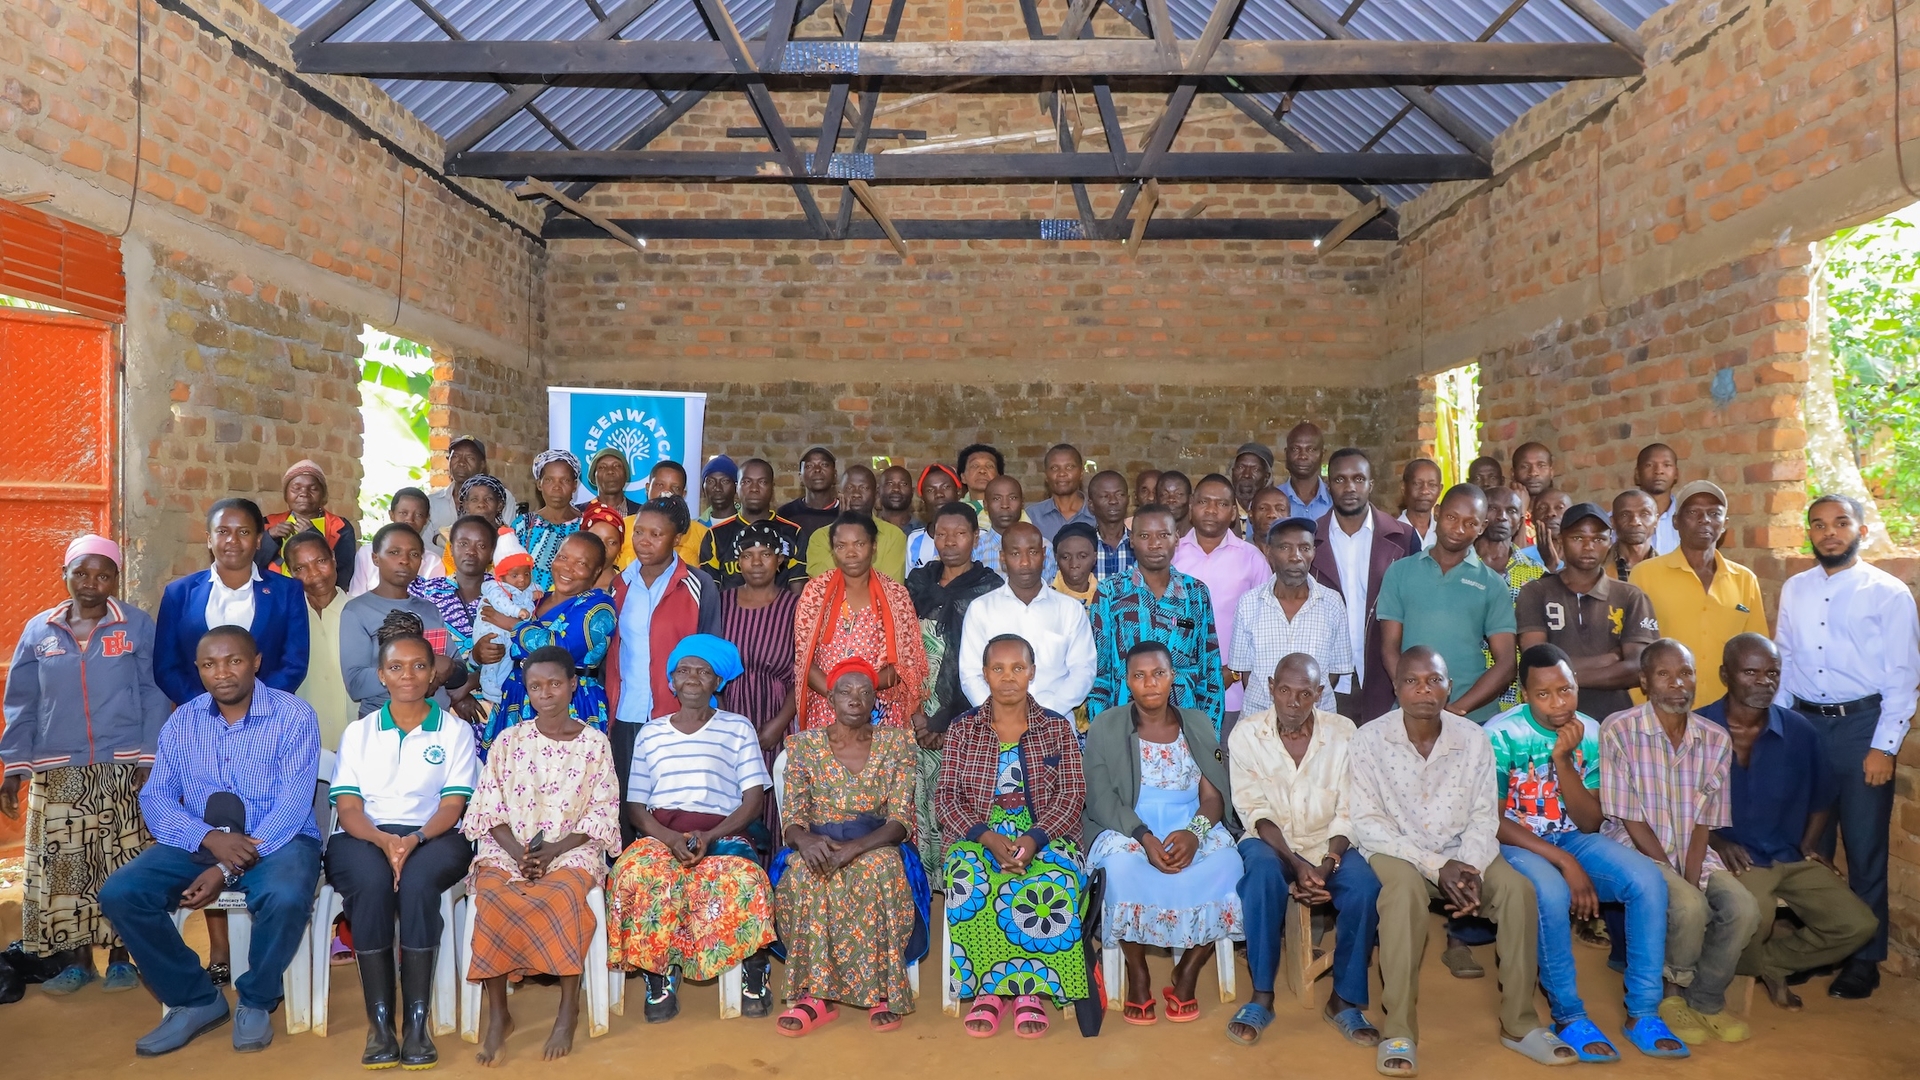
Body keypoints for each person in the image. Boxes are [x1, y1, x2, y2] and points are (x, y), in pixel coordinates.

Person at [98, 626, 323, 1057]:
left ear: (256, 662)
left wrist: (224, 867)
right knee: (123, 893)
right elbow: (157, 796)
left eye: (234, 660)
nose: (222, 672)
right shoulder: (183, 720)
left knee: (286, 894)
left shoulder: (294, 715)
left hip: (278, 838)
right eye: (209, 664)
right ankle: (197, 999)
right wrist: (207, 839)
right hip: (200, 842)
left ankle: (256, 999)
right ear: (199, 670)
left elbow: (295, 803)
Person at [1347, 647, 1563, 1076]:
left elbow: (1486, 816)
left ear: (1450, 687)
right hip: (1399, 852)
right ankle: (1399, 1029)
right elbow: (1367, 823)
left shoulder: (1473, 738)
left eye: (1434, 680)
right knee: (1403, 894)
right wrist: (1435, 866)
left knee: (1518, 891)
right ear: (1396, 686)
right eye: (1412, 681)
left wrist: (1469, 869)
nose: (1423, 690)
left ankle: (1519, 1025)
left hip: (1464, 853)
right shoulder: (1369, 738)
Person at [1486, 645, 1685, 1060]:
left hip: (1574, 836)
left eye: (1566, 690)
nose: (1558, 703)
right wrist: (1563, 861)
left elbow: (1591, 821)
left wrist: (1562, 759)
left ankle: (1643, 1012)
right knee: (1552, 894)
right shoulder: (1501, 733)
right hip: (1516, 842)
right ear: (1525, 694)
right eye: (1543, 694)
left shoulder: (1591, 733)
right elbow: (1493, 820)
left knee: (1647, 881)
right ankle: (1569, 1014)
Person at [0, 535, 170, 995]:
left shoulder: (135, 625)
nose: (92, 583)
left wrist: (149, 755)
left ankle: (121, 957)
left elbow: (155, 691)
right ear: (65, 574)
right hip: (58, 769)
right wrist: (14, 765)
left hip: (123, 763)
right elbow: (21, 702)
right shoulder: (40, 630)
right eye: (82, 572)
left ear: (117, 578)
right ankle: (76, 961)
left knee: (122, 862)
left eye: (103, 574)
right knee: (68, 868)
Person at [1772, 493, 1919, 998]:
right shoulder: (1795, 589)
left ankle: (1864, 959)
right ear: (1809, 533)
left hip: (1862, 729)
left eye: (1839, 523)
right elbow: (1785, 663)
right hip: (1807, 727)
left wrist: (1884, 747)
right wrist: (1784, 732)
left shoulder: (1889, 593)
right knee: (1811, 845)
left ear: (1860, 529)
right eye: (1818, 525)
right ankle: (1821, 947)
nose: (1828, 532)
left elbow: (1903, 678)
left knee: (1864, 847)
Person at [324, 615, 478, 1069]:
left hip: (435, 835)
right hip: (363, 835)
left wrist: (410, 840)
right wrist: (382, 840)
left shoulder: (454, 732)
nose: (407, 676)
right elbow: (349, 809)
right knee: (370, 886)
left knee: (417, 886)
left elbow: (451, 808)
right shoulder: (359, 733)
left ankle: (416, 1021)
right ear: (380, 675)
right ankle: (379, 1023)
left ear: (434, 674)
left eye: (417, 667)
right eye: (396, 667)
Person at [463, 646, 623, 1066]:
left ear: (573, 685)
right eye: (536, 686)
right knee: (492, 897)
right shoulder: (508, 740)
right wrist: (518, 853)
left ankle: (568, 1008)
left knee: (561, 896)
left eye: (555, 683)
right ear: (527, 691)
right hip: (509, 850)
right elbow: (487, 805)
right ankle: (499, 1014)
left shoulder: (595, 744)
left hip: (573, 851)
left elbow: (601, 811)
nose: (546, 693)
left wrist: (553, 851)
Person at [1698, 634, 1878, 1008]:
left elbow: (1822, 796)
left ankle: (1771, 964)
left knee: (1858, 925)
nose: (1764, 682)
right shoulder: (1697, 729)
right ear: (1725, 674)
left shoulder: (1798, 731)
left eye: (1772, 673)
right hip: (1734, 857)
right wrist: (1717, 841)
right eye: (1751, 672)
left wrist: (1810, 844)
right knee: (1753, 919)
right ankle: (1738, 968)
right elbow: (1676, 806)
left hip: (1788, 854)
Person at [607, 636, 778, 1023]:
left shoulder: (738, 728)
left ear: (718, 682)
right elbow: (635, 806)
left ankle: (755, 969)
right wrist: (669, 839)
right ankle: (658, 973)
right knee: (634, 873)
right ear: (671, 681)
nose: (692, 678)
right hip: (663, 832)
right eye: (683, 670)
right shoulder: (651, 732)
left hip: (723, 831)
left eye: (703, 672)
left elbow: (753, 801)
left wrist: (711, 837)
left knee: (746, 878)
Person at [1598, 639, 1759, 1046]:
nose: (1677, 684)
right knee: (1687, 905)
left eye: (1685, 673)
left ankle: (1705, 1000)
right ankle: (1672, 998)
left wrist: (1691, 872)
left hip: (1691, 845)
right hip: (1635, 847)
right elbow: (1630, 818)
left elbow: (1705, 820)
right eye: (1664, 674)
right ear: (1644, 682)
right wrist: (1678, 880)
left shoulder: (1715, 739)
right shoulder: (1620, 729)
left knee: (1743, 908)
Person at [1225, 653, 1380, 1049]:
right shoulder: (1245, 735)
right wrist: (1296, 865)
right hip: (1271, 844)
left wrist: (1326, 866)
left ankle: (1344, 999)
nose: (1293, 702)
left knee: (1364, 887)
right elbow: (1254, 813)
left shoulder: (1345, 733)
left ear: (1320, 693)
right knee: (1259, 878)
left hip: (1330, 844)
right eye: (1285, 691)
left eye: (1305, 693)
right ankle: (1262, 995)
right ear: (1271, 688)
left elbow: (1350, 810)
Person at [939, 635, 1089, 1039]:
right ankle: (988, 992)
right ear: (985, 674)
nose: (1008, 678)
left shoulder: (1057, 727)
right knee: (969, 878)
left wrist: (1035, 839)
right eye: (998, 669)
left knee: (1051, 878)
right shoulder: (963, 729)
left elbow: (1073, 794)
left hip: (1045, 834)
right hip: (979, 835)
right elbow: (946, 798)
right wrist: (987, 838)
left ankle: (1030, 993)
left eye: (1018, 668)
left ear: (1033, 672)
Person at [1084, 642, 1242, 1024]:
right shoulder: (1106, 726)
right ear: (1127, 682)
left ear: (1172, 678)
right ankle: (1138, 973)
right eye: (1139, 675)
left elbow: (1213, 794)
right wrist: (1145, 837)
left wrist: (1195, 833)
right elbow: (1101, 798)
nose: (1149, 683)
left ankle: (1186, 972)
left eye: (1158, 673)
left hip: (1190, 823)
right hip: (1128, 826)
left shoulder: (1198, 723)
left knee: (1230, 866)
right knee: (1119, 870)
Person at [773, 658, 921, 1036]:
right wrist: (805, 841)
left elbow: (901, 820)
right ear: (830, 698)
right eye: (845, 691)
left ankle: (882, 991)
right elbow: (792, 817)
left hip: (876, 841)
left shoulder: (897, 743)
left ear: (875, 700)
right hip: (818, 839)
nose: (855, 699)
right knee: (807, 877)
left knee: (879, 871)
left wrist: (854, 848)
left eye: (864, 692)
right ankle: (814, 997)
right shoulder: (803, 746)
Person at [904, 503, 1004, 866]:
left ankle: (961, 898)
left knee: (960, 800)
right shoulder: (916, 584)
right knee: (916, 803)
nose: (950, 541)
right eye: (941, 533)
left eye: (959, 533)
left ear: (975, 538)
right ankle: (923, 899)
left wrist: (948, 721)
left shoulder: (990, 589)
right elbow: (902, 649)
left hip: (967, 714)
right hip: (913, 711)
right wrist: (915, 711)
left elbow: (988, 661)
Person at [607, 497, 721, 815]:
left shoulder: (698, 585)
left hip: (677, 716)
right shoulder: (618, 587)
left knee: (673, 806)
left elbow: (709, 653)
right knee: (628, 807)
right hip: (626, 714)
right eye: (639, 531)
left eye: (656, 534)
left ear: (677, 538)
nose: (644, 541)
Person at [1377, 485, 1517, 723]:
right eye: (1452, 517)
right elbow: (1390, 648)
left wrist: (1459, 709)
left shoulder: (1492, 583)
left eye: (1471, 523)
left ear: (1482, 527)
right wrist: (1413, 698)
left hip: (1473, 717)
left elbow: (1506, 664)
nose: (1459, 529)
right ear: (1438, 513)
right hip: (1411, 715)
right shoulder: (1400, 572)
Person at [155, 498, 310, 707]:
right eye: (223, 531)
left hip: (267, 717)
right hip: (199, 718)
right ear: (209, 539)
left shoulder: (287, 591)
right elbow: (166, 667)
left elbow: (294, 662)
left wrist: (255, 704)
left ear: (258, 540)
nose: (233, 540)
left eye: (244, 532)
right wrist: (203, 706)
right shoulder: (179, 593)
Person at [1516, 503, 1660, 720]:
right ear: (1561, 540)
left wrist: (1559, 680)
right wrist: (1609, 659)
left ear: (1609, 542)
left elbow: (1637, 669)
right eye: (1578, 538)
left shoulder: (1630, 596)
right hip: (1549, 720)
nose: (1588, 546)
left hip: (1613, 719)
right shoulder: (1535, 592)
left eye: (1598, 539)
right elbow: (1537, 664)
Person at [1631, 480, 1767, 707]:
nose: (1705, 520)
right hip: (1664, 708)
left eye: (1714, 513)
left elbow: (1756, 651)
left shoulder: (1744, 579)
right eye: (1694, 512)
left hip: (1725, 711)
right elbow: (1635, 650)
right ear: (1675, 521)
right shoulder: (1645, 574)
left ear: (1724, 523)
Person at [1087, 505, 1223, 727]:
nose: (1154, 544)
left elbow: (1210, 670)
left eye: (1163, 535)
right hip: (1124, 722)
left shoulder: (1195, 593)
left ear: (1177, 538)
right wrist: (1103, 734)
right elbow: (1099, 671)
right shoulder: (1110, 592)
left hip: (1184, 721)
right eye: (1144, 536)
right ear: (1131, 540)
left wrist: (1209, 734)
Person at [792, 511, 929, 733]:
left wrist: (863, 690)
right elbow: (804, 660)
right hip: (827, 706)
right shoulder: (815, 591)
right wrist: (839, 694)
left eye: (859, 544)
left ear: (873, 546)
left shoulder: (896, 595)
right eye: (841, 546)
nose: (851, 553)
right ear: (833, 550)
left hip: (881, 708)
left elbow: (906, 664)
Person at [482, 533, 618, 753]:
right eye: (563, 557)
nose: (567, 568)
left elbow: (558, 651)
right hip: (518, 698)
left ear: (596, 572)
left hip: (569, 705)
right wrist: (482, 651)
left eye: (581, 563)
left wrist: (512, 625)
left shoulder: (599, 607)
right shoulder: (536, 599)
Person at [1310, 449, 1420, 721]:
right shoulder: (1310, 539)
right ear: (1328, 485)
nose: (1350, 487)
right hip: (1328, 680)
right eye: (1340, 480)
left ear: (1371, 484)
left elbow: (1415, 607)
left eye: (1358, 479)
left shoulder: (1403, 538)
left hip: (1385, 678)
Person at [958, 522, 1096, 725]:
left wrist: (1046, 713)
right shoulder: (981, 609)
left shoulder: (1069, 609)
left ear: (1043, 554)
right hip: (998, 727)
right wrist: (1003, 714)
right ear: (1002, 558)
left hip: (1055, 725)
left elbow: (1084, 670)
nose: (1024, 562)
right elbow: (971, 675)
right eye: (1015, 554)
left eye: (1032, 552)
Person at [717, 520, 802, 832]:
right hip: (727, 715)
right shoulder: (721, 604)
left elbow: (802, 673)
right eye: (748, 554)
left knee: (772, 798)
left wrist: (778, 724)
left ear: (779, 560)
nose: (756, 562)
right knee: (729, 797)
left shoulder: (795, 607)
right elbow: (708, 668)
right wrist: (724, 719)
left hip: (776, 718)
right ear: (737, 560)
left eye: (765, 553)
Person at [340, 524, 471, 719]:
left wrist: (449, 669)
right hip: (384, 722)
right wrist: (423, 668)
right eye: (394, 552)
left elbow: (458, 671)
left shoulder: (429, 609)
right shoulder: (357, 611)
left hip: (436, 721)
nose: (404, 560)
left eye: (414, 554)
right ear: (375, 558)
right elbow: (356, 684)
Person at [1174, 474, 1270, 733]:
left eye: (1222, 504)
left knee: (1228, 766)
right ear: (1192, 507)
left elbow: (1265, 626)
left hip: (1233, 689)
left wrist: (1235, 671)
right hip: (1179, 687)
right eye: (1204, 501)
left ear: (1232, 513)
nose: (1212, 509)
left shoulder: (1252, 559)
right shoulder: (1172, 554)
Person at [1230, 518, 1353, 716]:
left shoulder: (1332, 603)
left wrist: (1303, 706)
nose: (1296, 556)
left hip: (1317, 721)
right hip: (1260, 721)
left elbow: (1335, 671)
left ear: (1313, 552)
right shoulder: (1249, 603)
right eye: (1285, 547)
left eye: (1304, 548)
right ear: (1269, 552)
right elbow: (1245, 672)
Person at [1474, 486, 1547, 714]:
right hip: (1467, 688)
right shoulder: (1458, 568)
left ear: (1520, 521)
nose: (1502, 516)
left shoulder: (1537, 574)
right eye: (1493, 508)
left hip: (1518, 698)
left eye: (1512, 510)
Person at [284, 531, 355, 749]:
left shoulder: (360, 612)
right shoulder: (286, 619)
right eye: (300, 568)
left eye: (321, 561)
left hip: (357, 739)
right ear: (290, 573)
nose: (314, 574)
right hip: (304, 742)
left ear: (333, 558)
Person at [702, 457, 806, 589]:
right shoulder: (715, 535)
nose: (754, 489)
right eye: (746, 482)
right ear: (737, 487)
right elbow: (710, 594)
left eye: (762, 482)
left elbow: (798, 594)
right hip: (729, 609)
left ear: (772, 488)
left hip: (782, 609)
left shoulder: (793, 533)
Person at [259, 459, 358, 590]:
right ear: (286, 495)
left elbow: (343, 573)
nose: (304, 493)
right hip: (275, 597)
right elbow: (252, 565)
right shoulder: (269, 523)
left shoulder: (340, 527)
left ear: (323, 495)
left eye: (313, 488)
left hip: (320, 601)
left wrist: (313, 534)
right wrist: (270, 537)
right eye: (296, 488)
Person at [805, 465, 908, 580]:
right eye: (849, 488)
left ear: (876, 493)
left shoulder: (894, 536)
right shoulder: (819, 537)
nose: (856, 494)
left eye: (864, 488)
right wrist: (842, 528)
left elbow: (890, 586)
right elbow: (823, 583)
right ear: (840, 494)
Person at [474, 531, 535, 706]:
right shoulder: (495, 588)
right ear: (501, 576)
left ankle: (499, 687)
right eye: (515, 575)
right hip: (492, 631)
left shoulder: (522, 587)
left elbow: (530, 590)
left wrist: (536, 592)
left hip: (508, 633)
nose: (522, 580)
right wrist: (517, 612)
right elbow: (502, 605)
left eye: (527, 574)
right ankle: (488, 684)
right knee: (493, 657)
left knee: (507, 660)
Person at [514, 449, 585, 592]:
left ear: (574, 485)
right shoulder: (524, 525)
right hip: (527, 609)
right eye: (549, 480)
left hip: (573, 608)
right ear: (539, 484)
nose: (557, 487)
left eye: (564, 480)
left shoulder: (586, 525)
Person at [349, 488, 437, 598]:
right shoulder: (367, 553)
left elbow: (434, 602)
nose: (410, 519)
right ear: (391, 514)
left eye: (419, 515)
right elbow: (357, 595)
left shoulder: (434, 562)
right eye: (403, 513)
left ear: (426, 519)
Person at [976, 475, 1057, 581]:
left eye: (1012, 498)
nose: (1005, 505)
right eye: (997, 498)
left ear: (1022, 503)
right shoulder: (975, 549)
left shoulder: (1043, 546)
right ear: (985, 505)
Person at [637, 460, 709, 567]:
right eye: (660, 485)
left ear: (683, 494)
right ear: (648, 488)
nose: (666, 492)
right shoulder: (626, 526)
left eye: (675, 488)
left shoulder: (702, 534)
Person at [427, 436, 487, 550]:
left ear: (482, 465)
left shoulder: (500, 499)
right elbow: (425, 548)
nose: (461, 463)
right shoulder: (431, 503)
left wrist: (439, 540)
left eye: (470, 457)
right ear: (448, 461)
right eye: (455, 456)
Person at [1029, 443, 1095, 542]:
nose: (1062, 473)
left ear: (1081, 472)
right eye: (1054, 468)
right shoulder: (1032, 516)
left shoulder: (1096, 515)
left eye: (1069, 467)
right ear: (1046, 475)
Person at [779, 446, 841, 549]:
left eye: (824, 464)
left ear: (835, 475)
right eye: (809, 466)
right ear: (800, 477)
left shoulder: (846, 513)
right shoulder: (786, 514)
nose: (817, 469)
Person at [904, 463, 963, 569]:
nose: (939, 494)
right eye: (930, 490)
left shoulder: (978, 537)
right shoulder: (914, 540)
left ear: (958, 492)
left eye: (946, 487)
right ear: (922, 499)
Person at [1087, 469, 1136, 583]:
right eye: (1105, 496)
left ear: (1128, 500)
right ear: (1091, 504)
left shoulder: (1140, 545)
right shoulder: (1083, 547)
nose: (1113, 501)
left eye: (1119, 494)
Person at [1281, 422, 1333, 521]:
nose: (1303, 456)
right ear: (1286, 453)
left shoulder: (1336, 500)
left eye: (1311, 450)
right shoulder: (1268, 501)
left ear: (1323, 454)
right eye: (1296, 449)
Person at [1636, 443, 1681, 554]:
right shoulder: (1617, 522)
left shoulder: (1688, 519)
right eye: (1649, 465)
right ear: (1637, 474)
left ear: (1676, 474)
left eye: (1667, 465)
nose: (1659, 471)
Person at [1606, 489, 1661, 581]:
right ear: (1613, 522)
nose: (1635, 522)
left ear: (1656, 520)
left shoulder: (1670, 571)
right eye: (1625, 515)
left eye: (1644, 514)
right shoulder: (1596, 569)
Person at [1229, 441, 1276, 542]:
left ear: (1266, 477)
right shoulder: (1223, 509)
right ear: (1232, 473)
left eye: (1255, 469)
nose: (1246, 475)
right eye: (1241, 467)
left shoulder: (1274, 512)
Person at [579, 448, 642, 519]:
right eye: (602, 467)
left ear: (625, 475)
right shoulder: (577, 514)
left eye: (617, 466)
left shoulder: (642, 513)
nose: (610, 471)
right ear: (594, 477)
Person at [1510, 442, 1555, 544]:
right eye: (1525, 466)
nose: (1533, 472)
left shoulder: (1560, 510)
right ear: (1513, 473)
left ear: (1551, 472)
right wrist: (1519, 508)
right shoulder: (1503, 513)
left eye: (1541, 465)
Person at [580, 500, 627, 591]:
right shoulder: (566, 584)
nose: (603, 548)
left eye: (612, 542)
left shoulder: (627, 588)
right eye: (596, 539)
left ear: (620, 547)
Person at [1520, 488, 1571, 573]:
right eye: (1542, 508)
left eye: (1559, 507)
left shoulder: (1582, 556)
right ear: (1532, 517)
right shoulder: (1522, 558)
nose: (1551, 513)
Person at [1396, 459, 1442, 550]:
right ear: (1403, 487)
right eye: (1417, 484)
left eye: (1432, 485)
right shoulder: (1391, 534)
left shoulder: (1446, 535)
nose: (1425, 491)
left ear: (1440, 489)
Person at [1050, 521, 1099, 606]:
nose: (1074, 564)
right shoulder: (1045, 596)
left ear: (1094, 557)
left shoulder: (1105, 597)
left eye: (1082, 556)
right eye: (1066, 557)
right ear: (1056, 558)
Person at [957, 443, 1005, 509]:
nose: (982, 471)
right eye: (975, 466)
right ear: (963, 477)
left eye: (990, 466)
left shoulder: (1010, 509)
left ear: (999, 477)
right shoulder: (955, 511)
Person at [875, 464, 919, 535]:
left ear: (912, 491)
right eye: (889, 483)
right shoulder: (868, 530)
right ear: (878, 491)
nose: (896, 489)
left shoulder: (923, 531)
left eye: (903, 484)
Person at [700, 454, 739, 526]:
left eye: (725, 481)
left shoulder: (749, 526)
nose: (718, 488)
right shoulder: (694, 528)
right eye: (711, 481)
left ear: (736, 487)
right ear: (703, 488)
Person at [1247, 487, 1288, 555]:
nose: (1272, 514)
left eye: (1281, 509)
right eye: (1263, 508)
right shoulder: (1237, 554)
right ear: (1251, 515)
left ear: (1289, 516)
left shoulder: (1296, 556)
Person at [1155, 470, 1195, 538]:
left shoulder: (1200, 539)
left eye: (1178, 494)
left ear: (1190, 499)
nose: (1171, 499)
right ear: (1156, 500)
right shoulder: (1152, 541)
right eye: (1164, 494)